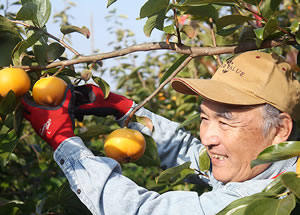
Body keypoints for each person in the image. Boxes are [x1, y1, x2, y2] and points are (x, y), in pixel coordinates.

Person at [22, 51, 300, 215]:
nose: (208, 137)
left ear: (279, 130)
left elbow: (142, 211)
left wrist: (65, 144)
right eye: (205, 118)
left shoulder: (255, 204)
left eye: (226, 122)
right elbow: (192, 155)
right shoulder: (276, 165)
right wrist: (125, 109)